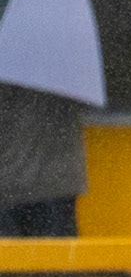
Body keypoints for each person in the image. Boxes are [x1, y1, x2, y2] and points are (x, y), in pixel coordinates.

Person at [0, 84, 86, 237]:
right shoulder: (61, 72)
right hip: (55, 180)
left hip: (10, 182)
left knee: (8, 258)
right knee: (57, 257)